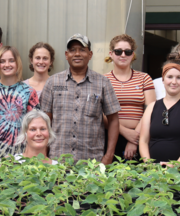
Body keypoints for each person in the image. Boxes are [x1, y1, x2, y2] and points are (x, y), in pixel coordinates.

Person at [40, 33, 121, 164]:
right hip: (57, 160)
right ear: (66, 55)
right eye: (72, 50)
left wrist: (109, 156)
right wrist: (44, 153)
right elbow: (44, 121)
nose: (77, 54)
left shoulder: (103, 83)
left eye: (82, 50)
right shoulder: (53, 82)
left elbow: (113, 120)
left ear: (90, 54)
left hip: (92, 161)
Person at [0, 46, 39, 159]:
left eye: (11, 60)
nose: (7, 65)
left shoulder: (29, 92)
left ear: (17, 63)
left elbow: (33, 127)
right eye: (2, 61)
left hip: (21, 156)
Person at [139, 61, 180, 167]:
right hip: (154, 171)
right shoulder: (152, 107)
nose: (174, 82)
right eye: (169, 77)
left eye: (179, 77)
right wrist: (148, 164)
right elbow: (143, 141)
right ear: (163, 79)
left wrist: (176, 164)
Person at [103, 34, 155, 161]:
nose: (123, 55)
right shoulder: (102, 80)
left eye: (128, 52)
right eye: (118, 51)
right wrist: (125, 132)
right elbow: (100, 113)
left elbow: (151, 109)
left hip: (140, 136)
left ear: (133, 55)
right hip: (109, 136)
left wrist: (134, 139)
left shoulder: (144, 78)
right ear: (111, 53)